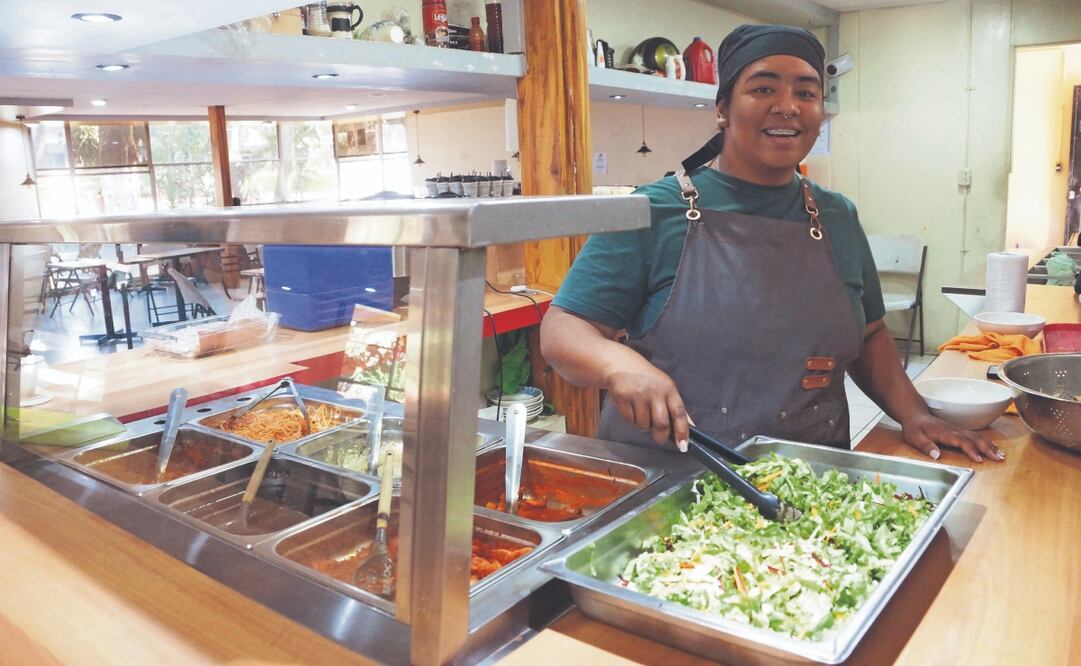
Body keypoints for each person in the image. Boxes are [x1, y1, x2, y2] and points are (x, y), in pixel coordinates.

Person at [540, 24, 1003, 464]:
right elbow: (563, 330)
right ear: (722, 109)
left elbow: (871, 334)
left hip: (807, 479)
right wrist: (619, 365)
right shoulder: (654, 210)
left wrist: (914, 413)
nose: (788, 106)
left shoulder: (837, 214)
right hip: (668, 480)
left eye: (806, 92)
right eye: (763, 88)